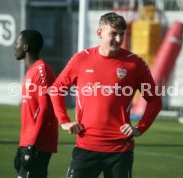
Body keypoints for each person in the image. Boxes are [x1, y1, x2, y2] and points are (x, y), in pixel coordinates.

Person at [50, 12, 162, 178]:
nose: (118, 39)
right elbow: (57, 89)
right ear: (99, 33)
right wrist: (64, 121)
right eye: (113, 34)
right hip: (86, 146)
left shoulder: (134, 64)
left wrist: (140, 128)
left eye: (121, 34)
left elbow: (154, 100)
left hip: (120, 150)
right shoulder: (81, 59)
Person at [13, 30, 58, 178]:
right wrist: (22, 146)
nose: (15, 47)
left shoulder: (41, 69)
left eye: (17, 44)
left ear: (25, 47)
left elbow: (44, 110)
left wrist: (31, 145)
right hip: (30, 143)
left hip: (38, 144)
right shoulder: (31, 71)